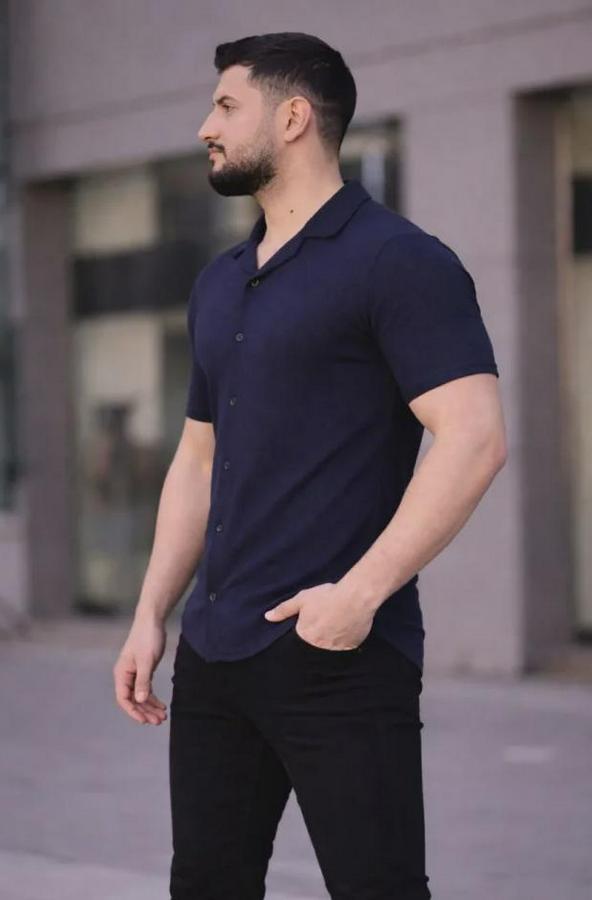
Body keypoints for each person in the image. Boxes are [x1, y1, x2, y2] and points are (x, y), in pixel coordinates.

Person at [113, 31, 507, 899]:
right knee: (206, 887)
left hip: (339, 653)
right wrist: (150, 614)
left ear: (292, 118)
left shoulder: (399, 261)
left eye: (226, 106)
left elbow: (475, 436)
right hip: (214, 651)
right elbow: (197, 456)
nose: (206, 126)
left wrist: (358, 596)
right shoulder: (220, 281)